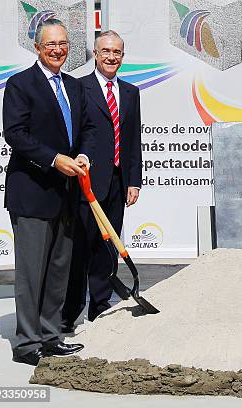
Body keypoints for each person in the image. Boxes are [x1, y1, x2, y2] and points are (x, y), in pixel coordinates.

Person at [3, 19, 95, 366]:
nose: (58, 50)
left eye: (63, 44)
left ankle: (50, 335)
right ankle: (27, 344)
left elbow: (86, 129)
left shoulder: (74, 86)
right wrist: (55, 160)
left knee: (59, 269)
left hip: (67, 193)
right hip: (33, 191)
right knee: (31, 272)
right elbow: (16, 133)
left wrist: (82, 156)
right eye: (50, 44)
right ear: (37, 48)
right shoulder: (20, 84)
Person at [61, 30, 142, 330]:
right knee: (80, 247)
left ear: (123, 56)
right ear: (96, 54)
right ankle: (69, 314)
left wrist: (134, 180)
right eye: (106, 51)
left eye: (117, 52)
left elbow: (133, 139)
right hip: (86, 183)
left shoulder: (131, 93)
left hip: (118, 184)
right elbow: (74, 135)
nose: (111, 57)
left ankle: (99, 308)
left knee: (108, 248)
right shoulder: (78, 88)